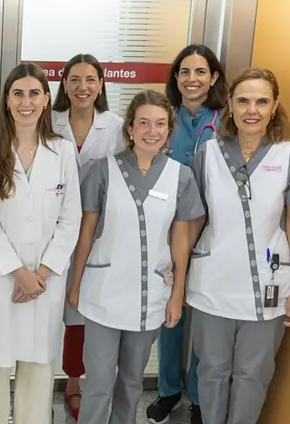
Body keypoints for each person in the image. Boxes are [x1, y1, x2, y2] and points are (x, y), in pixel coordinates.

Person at [187, 67, 290, 424]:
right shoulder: (208, 154)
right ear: (229, 103)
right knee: (211, 372)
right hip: (212, 283)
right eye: (243, 100)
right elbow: (194, 220)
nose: (252, 110)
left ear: (274, 106)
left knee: (253, 376)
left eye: (262, 101)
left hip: (268, 287)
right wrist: (177, 272)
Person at [68, 90, 205, 424]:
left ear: (168, 130)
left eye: (160, 124)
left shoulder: (180, 176)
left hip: (150, 297)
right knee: (98, 381)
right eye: (143, 123)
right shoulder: (103, 170)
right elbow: (85, 232)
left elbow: (180, 242)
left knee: (131, 382)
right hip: (102, 293)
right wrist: (75, 285)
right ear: (129, 129)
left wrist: (177, 295)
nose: (151, 131)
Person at [0, 63, 82, 424]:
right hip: (4, 278)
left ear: (47, 99)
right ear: (6, 100)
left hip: (45, 282)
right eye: (18, 93)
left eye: (34, 93)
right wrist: (20, 274)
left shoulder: (63, 151)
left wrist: (42, 274)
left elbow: (71, 218)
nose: (26, 101)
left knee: (38, 368)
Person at [148, 44, 228, 424]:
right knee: (171, 312)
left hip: (214, 230)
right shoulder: (163, 118)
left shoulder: (225, 121)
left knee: (203, 317)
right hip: (169, 229)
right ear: (175, 77)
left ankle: (197, 395)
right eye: (184, 71)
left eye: (200, 72)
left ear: (213, 78)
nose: (191, 79)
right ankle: (168, 390)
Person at [51, 53, 125, 421]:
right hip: (49, 227)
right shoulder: (49, 121)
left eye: (90, 80)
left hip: (97, 230)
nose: (83, 87)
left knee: (82, 309)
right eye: (75, 80)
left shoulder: (115, 125)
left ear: (101, 85)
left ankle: (75, 382)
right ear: (64, 84)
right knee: (50, 303)